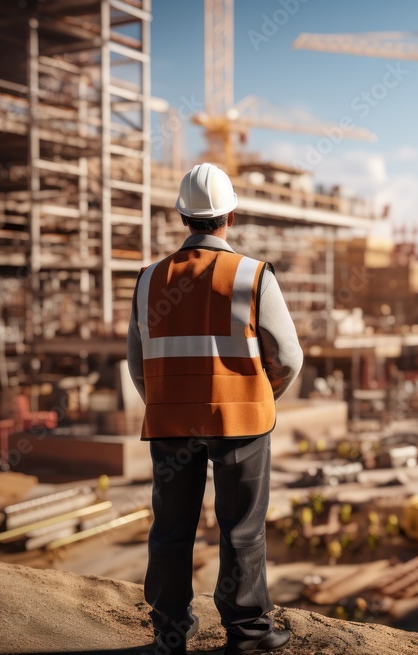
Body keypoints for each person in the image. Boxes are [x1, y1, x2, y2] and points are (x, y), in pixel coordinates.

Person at [127, 163, 302, 654]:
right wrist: (261, 395)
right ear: (230, 214)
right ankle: (247, 634)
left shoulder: (148, 281)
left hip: (170, 422)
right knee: (242, 529)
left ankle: (169, 633)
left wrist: (166, 401)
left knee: (170, 529)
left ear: (182, 216)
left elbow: (138, 364)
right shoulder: (252, 275)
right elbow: (288, 357)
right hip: (241, 420)